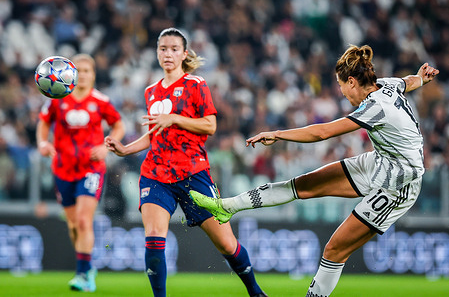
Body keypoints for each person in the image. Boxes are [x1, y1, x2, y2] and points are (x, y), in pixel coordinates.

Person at [190, 45, 439, 296]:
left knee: (334, 250)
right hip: (380, 162)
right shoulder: (384, 84)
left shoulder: (377, 107)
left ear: (352, 81)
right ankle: (226, 207)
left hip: (398, 185)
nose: (342, 93)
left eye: (341, 86)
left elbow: (322, 132)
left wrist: (277, 134)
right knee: (301, 186)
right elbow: (407, 82)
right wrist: (421, 77)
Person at [104, 27, 267, 297]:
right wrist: (125, 149)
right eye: (163, 49)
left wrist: (176, 118)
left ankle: (255, 292)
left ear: (184, 54)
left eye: (174, 49)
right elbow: (154, 134)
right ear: (157, 53)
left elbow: (210, 125)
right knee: (154, 236)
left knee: (227, 245)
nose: (168, 54)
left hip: (194, 174)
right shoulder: (151, 92)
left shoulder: (196, 85)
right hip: (156, 174)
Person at [36, 53, 125, 292]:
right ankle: (87, 266)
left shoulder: (101, 101)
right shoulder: (56, 98)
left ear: (93, 74)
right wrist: (43, 143)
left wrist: (107, 146)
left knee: (85, 220)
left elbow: (119, 124)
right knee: (74, 225)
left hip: (91, 169)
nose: (84, 74)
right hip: (63, 169)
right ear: (71, 73)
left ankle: (83, 274)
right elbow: (43, 122)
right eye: (80, 70)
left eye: (88, 70)